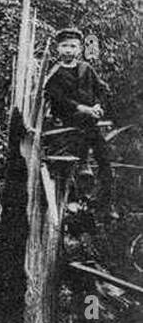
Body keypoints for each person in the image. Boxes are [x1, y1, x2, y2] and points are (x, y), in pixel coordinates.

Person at [44, 27, 116, 216]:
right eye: (64, 46)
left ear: (80, 49)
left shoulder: (86, 68)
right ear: (57, 48)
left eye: (73, 46)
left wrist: (99, 106)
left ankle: (104, 204)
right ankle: (73, 200)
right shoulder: (55, 74)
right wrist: (83, 109)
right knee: (71, 162)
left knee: (105, 160)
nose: (69, 50)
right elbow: (58, 100)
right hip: (67, 126)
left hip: (90, 124)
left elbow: (102, 89)